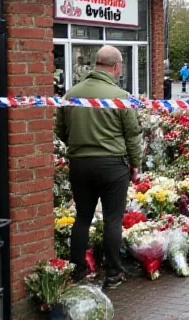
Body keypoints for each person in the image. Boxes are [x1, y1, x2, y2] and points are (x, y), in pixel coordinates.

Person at [55, 45, 142, 290]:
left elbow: (60, 129)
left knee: (82, 217)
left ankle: (77, 273)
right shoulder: (121, 97)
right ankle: (113, 274)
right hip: (113, 166)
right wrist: (135, 164)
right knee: (112, 221)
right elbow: (132, 134)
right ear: (116, 67)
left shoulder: (71, 94)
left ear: (96, 65)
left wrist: (79, 148)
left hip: (80, 164)